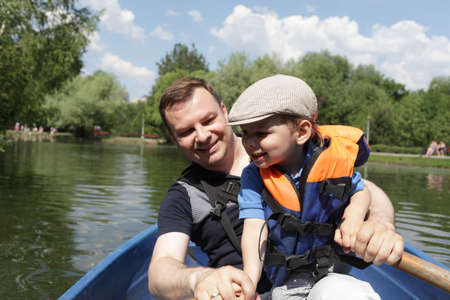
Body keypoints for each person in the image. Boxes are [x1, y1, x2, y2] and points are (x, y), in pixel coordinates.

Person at [147, 77, 404, 300]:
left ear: (224, 112)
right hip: (245, 294)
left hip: (320, 282)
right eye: (186, 131)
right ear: (173, 138)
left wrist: (382, 224)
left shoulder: (284, 148)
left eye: (208, 120)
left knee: (342, 293)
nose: (202, 136)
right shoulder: (184, 195)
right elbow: (160, 274)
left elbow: (367, 190)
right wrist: (201, 279)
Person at [228, 74, 381, 299]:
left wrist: (354, 216)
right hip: (288, 281)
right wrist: (249, 280)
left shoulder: (333, 163)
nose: (249, 142)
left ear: (301, 132)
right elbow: (253, 230)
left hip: (332, 271)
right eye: (245, 133)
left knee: (342, 293)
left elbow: (360, 191)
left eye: (261, 133)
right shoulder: (253, 176)